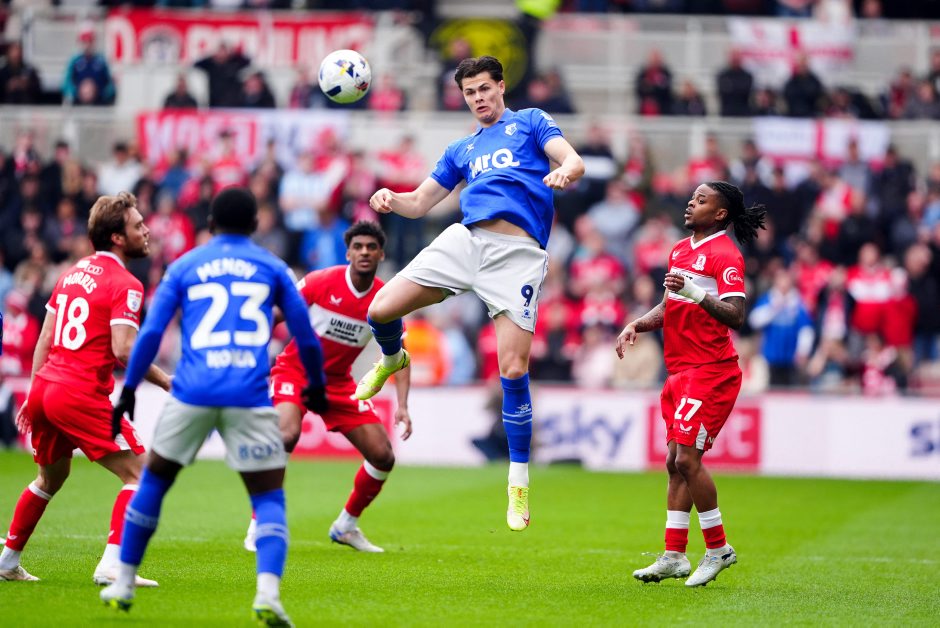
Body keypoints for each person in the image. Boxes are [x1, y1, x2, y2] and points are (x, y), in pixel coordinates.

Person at [361, 56, 584, 531]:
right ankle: (393, 359)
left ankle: (518, 482)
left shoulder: (530, 122)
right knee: (380, 309)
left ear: (500, 87)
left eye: (484, 88)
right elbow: (419, 202)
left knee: (513, 368)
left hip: (517, 256)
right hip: (466, 242)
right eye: (469, 92)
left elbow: (573, 159)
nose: (478, 98)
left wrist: (565, 171)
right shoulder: (461, 149)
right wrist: (391, 199)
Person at [98, 188, 328, 625]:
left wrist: (128, 390)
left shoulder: (185, 265)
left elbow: (151, 333)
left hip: (192, 392)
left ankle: (123, 580)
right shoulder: (273, 267)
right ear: (255, 225)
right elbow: (306, 335)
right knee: (268, 497)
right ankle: (268, 595)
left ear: (209, 224)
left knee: (153, 483)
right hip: (249, 394)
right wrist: (316, 386)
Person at [0, 192, 171, 585]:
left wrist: (34, 392)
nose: (146, 230)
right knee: (141, 474)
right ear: (117, 237)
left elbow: (46, 339)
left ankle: (8, 560)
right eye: (138, 225)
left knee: (50, 478)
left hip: (46, 387)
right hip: (77, 392)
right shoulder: (126, 283)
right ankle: (113, 565)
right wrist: (166, 381)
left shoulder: (72, 273)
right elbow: (124, 349)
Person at [616, 181, 765, 588]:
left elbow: (736, 315)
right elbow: (670, 305)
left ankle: (718, 549)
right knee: (673, 462)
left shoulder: (725, 254)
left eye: (701, 200)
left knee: (686, 460)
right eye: (692, 198)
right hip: (679, 371)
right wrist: (637, 324)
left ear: (720, 214)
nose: (690, 203)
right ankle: (674, 555)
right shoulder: (680, 250)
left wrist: (696, 291)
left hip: (711, 370)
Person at [243, 220, 412, 555]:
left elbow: (399, 356)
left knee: (382, 455)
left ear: (381, 254)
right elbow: (274, 315)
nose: (364, 252)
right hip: (295, 371)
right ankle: (259, 524)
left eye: (372, 247)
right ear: (348, 253)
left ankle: (346, 526)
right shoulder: (321, 282)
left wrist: (403, 405)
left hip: (338, 382)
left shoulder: (386, 301)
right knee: (286, 435)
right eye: (358, 247)